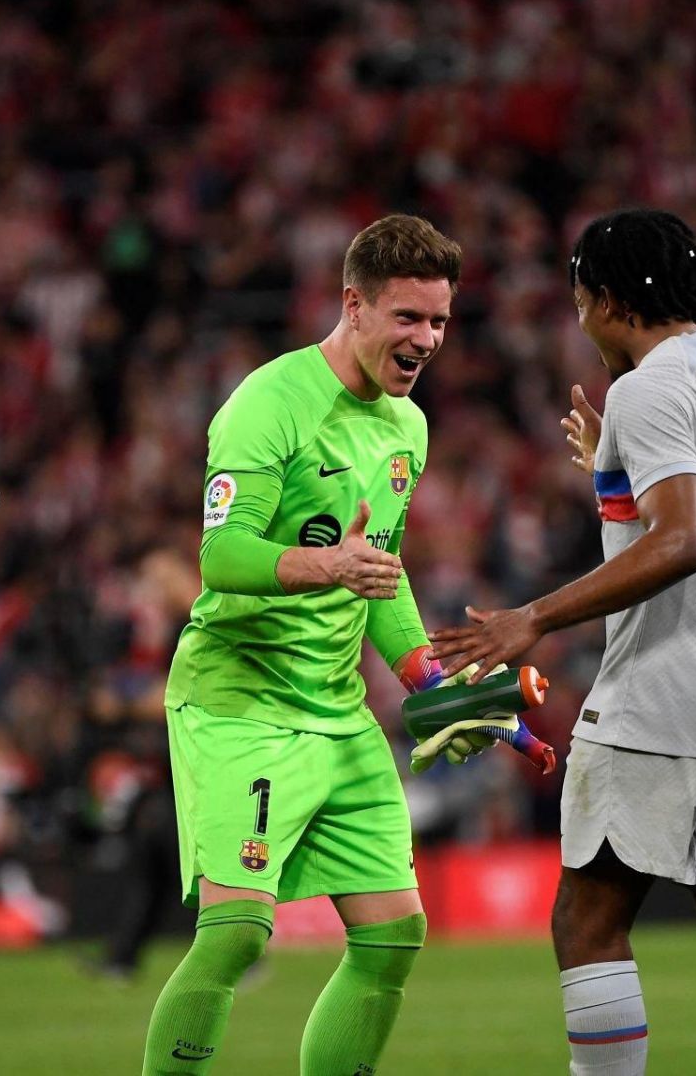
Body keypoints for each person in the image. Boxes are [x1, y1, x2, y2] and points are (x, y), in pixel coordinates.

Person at [432, 208, 696, 1075]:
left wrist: (534, 617)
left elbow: (682, 538)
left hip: (661, 694)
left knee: (587, 925)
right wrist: (612, 470)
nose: (581, 322)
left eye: (583, 302)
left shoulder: (647, 387)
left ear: (615, 302)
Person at [143, 214, 466, 1076]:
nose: (426, 340)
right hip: (239, 699)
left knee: (395, 934)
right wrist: (327, 563)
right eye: (408, 318)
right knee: (238, 934)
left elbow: (381, 575)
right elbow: (221, 557)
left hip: (337, 712)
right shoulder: (267, 403)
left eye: (438, 320)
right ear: (353, 305)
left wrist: (424, 679)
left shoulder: (408, 428)